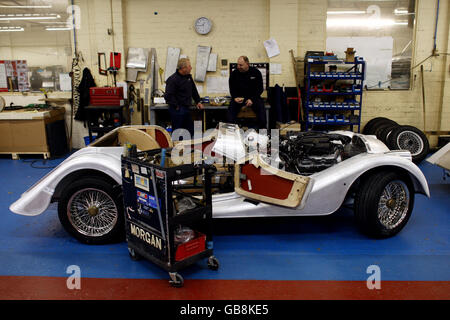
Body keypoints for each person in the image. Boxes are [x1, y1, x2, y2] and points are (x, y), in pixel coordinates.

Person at [164, 58, 203, 136]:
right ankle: (177, 147)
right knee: (178, 133)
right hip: (177, 110)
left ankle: (189, 147)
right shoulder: (172, 80)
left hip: (186, 109)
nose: (191, 68)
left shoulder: (188, 77)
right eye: (189, 66)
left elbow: (193, 90)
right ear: (183, 68)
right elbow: (168, 96)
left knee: (190, 131)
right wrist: (177, 106)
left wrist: (198, 101)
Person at [228, 56, 266, 129]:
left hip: (254, 98)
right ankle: (232, 135)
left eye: (241, 65)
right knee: (230, 116)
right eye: (238, 65)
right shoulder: (234, 74)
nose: (238, 67)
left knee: (262, 117)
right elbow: (232, 88)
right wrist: (235, 97)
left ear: (247, 64)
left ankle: (262, 136)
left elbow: (260, 89)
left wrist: (252, 99)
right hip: (238, 99)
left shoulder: (256, 72)